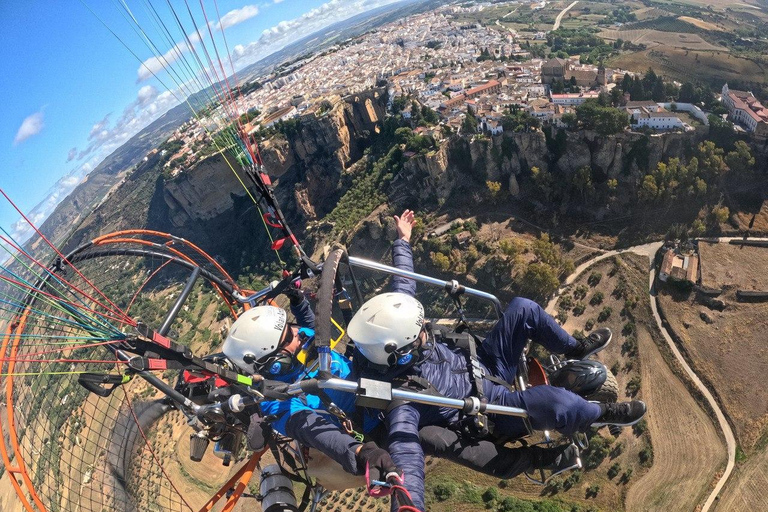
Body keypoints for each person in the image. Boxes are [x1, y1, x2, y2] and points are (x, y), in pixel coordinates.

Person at [346, 210, 647, 511]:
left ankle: (575, 348)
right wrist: (407, 503)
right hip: (492, 408)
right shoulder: (401, 400)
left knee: (523, 308)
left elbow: (404, 286)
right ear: (400, 351)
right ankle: (600, 413)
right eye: (420, 332)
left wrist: (402, 241)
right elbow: (405, 451)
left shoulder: (397, 332)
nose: (425, 329)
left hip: (485, 361)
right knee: (558, 404)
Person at [222, 296, 397, 485]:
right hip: (371, 427)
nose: (298, 331)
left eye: (290, 327)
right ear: (275, 365)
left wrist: (298, 301)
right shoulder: (278, 401)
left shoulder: (302, 342)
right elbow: (314, 432)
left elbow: (312, 327)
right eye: (289, 336)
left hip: (373, 387)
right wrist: (360, 452)